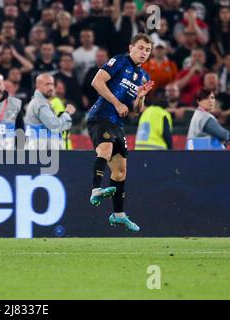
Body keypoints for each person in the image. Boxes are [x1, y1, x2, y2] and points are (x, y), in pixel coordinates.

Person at [87, 33, 155, 232]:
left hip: (117, 124)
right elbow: (97, 82)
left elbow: (135, 110)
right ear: (131, 47)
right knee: (105, 150)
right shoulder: (119, 61)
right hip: (101, 116)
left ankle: (118, 215)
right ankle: (96, 189)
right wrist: (116, 103)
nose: (144, 53)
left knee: (120, 171)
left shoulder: (144, 77)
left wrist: (141, 97)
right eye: (141, 48)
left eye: (148, 50)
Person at [24, 73, 76, 150]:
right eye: (47, 84)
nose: (51, 87)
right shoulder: (40, 103)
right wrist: (67, 113)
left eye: (52, 84)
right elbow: (54, 125)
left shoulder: (42, 102)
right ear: (37, 86)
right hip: (40, 152)